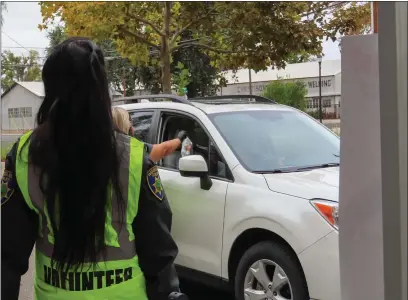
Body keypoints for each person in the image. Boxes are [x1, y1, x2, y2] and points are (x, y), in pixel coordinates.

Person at [1, 37, 186, 300]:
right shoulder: (133, 157)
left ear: (51, 88)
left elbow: (7, 258)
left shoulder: (25, 157)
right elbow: (159, 256)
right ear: (102, 89)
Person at [111, 107, 187, 162]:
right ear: (125, 126)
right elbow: (164, 149)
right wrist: (180, 138)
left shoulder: (103, 150)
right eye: (130, 122)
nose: (133, 127)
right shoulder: (133, 149)